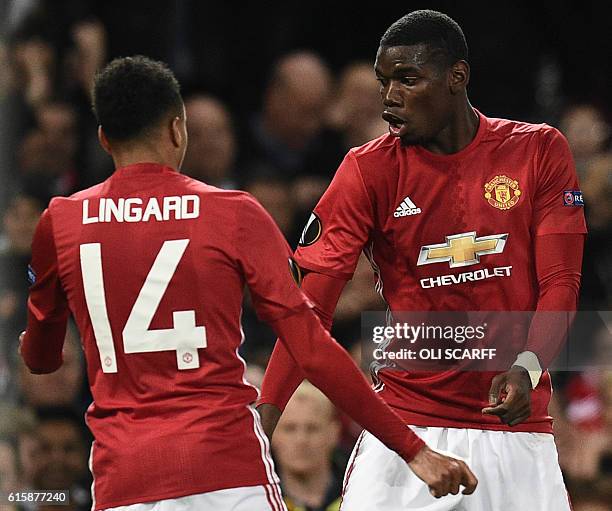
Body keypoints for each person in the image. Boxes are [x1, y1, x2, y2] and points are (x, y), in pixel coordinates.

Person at [19, 56, 476, 511]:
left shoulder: (59, 222)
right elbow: (311, 349)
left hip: (127, 481)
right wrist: (413, 448)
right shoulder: (233, 213)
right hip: (226, 473)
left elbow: (41, 360)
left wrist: (33, 345)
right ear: (178, 129)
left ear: (103, 139)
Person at [258, 9, 587, 511]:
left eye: (408, 79)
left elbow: (561, 282)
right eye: (384, 81)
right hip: (408, 430)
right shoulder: (366, 170)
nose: (390, 96)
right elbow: (308, 313)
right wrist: (264, 418)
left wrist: (528, 366)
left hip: (517, 430)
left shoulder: (538, 150)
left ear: (457, 77)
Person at [272, 382, 343, 511]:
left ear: (334, 433)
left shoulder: (362, 493)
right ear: (272, 434)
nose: (301, 440)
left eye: (312, 429)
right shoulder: (256, 501)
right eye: (289, 429)